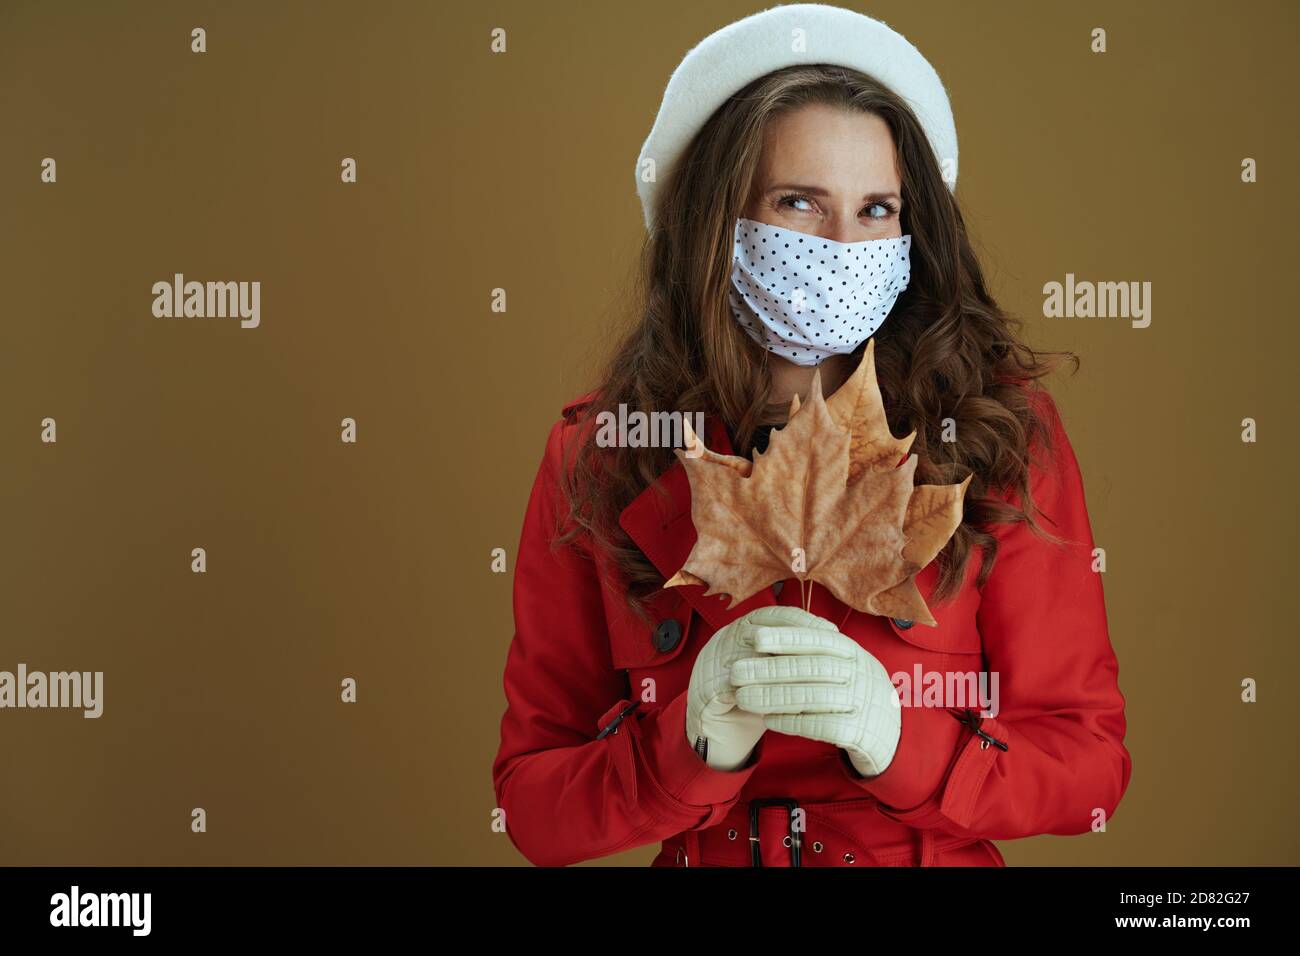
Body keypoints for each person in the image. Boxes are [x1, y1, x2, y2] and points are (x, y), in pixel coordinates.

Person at [492, 3, 1131, 867]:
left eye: (876, 209)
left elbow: (1088, 766)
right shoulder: (604, 455)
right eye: (798, 201)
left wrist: (900, 742)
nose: (842, 243)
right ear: (715, 220)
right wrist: (688, 748)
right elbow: (536, 808)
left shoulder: (995, 437)